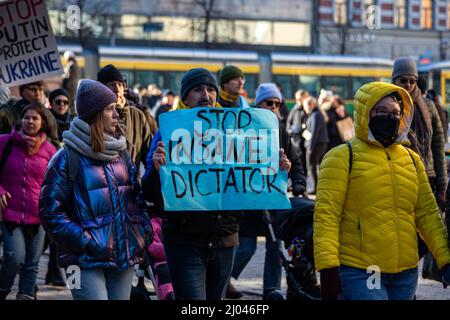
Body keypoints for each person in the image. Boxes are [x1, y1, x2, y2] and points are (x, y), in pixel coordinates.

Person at [141, 68, 292, 300]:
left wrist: (277, 169)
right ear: (185, 97)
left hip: (225, 240)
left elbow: (252, 182)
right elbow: (150, 193)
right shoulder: (169, 133)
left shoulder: (235, 132)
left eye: (211, 89)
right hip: (184, 241)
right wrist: (156, 170)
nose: (206, 95)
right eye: (198, 89)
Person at [314, 81, 450, 300]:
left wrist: (445, 261)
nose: (390, 118)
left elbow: (427, 215)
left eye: (396, 113)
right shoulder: (341, 156)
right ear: (365, 113)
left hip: (405, 272)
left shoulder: (412, 160)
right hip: (361, 269)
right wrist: (327, 267)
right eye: (381, 111)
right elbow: (326, 216)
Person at [39, 79, 152, 300]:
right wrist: (86, 241)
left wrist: (142, 232)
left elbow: (136, 199)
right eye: (110, 110)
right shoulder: (65, 158)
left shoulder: (121, 154)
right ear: (95, 114)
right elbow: (50, 213)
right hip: (81, 261)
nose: (117, 115)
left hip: (123, 255)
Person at [228, 83, 305, 300]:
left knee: (275, 246)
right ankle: (221, 278)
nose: (273, 106)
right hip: (248, 200)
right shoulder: (244, 126)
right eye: (268, 102)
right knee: (246, 247)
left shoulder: (280, 129)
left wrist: (296, 178)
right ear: (258, 103)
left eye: (276, 103)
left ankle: (271, 290)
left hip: (272, 200)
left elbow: (294, 159)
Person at [0, 103, 57, 300]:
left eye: (35, 118)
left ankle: (25, 296)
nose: (30, 121)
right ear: (20, 120)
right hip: (10, 213)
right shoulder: (5, 142)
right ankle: (2, 290)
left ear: (42, 123)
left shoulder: (50, 150)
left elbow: (56, 182)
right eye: (27, 117)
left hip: (38, 216)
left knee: (32, 264)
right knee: (14, 257)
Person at [97, 64, 152, 170]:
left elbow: (150, 156)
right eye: (112, 85)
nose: (117, 89)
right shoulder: (97, 115)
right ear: (102, 89)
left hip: (133, 184)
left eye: (120, 85)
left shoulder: (138, 115)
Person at [0, 81, 59, 147]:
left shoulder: (48, 115)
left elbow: (55, 143)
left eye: (40, 89)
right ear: (22, 92)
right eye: (33, 89)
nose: (37, 94)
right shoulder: (7, 112)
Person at [303, 96, 329, 195]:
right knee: (315, 166)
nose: (305, 108)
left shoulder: (315, 115)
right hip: (319, 144)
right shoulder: (316, 114)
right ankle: (316, 187)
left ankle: (314, 188)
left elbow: (314, 132)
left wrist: (310, 147)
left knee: (311, 166)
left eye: (305, 106)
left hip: (316, 144)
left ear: (311, 105)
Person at [287, 89, 310, 170]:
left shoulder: (308, 109)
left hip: (306, 141)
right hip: (296, 140)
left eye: (300, 98)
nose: (298, 100)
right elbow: (289, 122)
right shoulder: (295, 109)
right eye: (297, 98)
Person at [62, 51, 81, 116]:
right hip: (74, 86)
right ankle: (72, 114)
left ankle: (70, 115)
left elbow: (67, 76)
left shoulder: (70, 65)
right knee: (73, 101)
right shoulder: (77, 65)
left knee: (69, 101)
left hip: (69, 87)